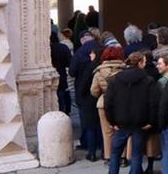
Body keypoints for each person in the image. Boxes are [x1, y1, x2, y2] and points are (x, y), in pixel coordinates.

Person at [100, 52, 160, 174]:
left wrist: (112, 121)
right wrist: (151, 121)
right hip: (140, 122)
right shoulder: (148, 80)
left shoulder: (115, 80)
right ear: (140, 63)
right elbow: (153, 104)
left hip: (121, 122)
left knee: (115, 154)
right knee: (136, 155)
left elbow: (108, 103)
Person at [91, 45, 126, 160]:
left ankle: (108, 157)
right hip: (121, 102)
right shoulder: (124, 70)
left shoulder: (99, 72)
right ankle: (122, 157)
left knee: (107, 132)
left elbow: (94, 91)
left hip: (104, 102)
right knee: (121, 130)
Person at [70, 32, 101, 160]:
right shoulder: (102, 47)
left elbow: (72, 72)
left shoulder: (79, 52)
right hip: (101, 91)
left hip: (84, 93)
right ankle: (104, 149)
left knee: (88, 124)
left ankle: (91, 151)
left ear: (83, 40)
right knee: (101, 122)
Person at [50, 31, 72, 115]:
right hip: (62, 75)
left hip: (51, 76)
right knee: (63, 94)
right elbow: (69, 62)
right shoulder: (64, 47)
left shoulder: (48, 49)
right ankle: (66, 113)